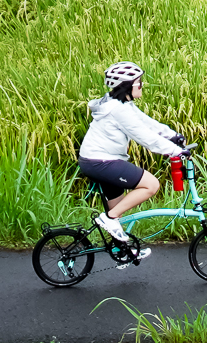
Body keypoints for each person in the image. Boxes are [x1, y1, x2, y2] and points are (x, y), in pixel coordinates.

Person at [78, 61, 184, 264]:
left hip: (100, 160)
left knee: (117, 214)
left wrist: (173, 136)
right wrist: (174, 151)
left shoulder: (122, 104)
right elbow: (144, 137)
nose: (142, 85)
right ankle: (108, 218)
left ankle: (122, 250)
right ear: (127, 86)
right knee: (151, 185)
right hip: (101, 161)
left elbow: (147, 123)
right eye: (139, 82)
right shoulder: (118, 110)